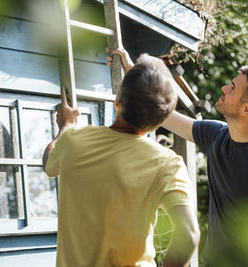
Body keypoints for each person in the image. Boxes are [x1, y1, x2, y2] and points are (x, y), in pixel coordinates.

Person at [110, 48, 248, 266]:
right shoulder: (216, 135)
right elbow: (160, 113)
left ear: (247, 109)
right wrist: (131, 71)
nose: (224, 88)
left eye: (233, 88)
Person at [43, 53, 200, 267]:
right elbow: (189, 234)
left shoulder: (73, 140)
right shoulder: (166, 163)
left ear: (118, 101)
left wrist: (65, 126)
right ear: (159, 123)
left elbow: (49, 162)